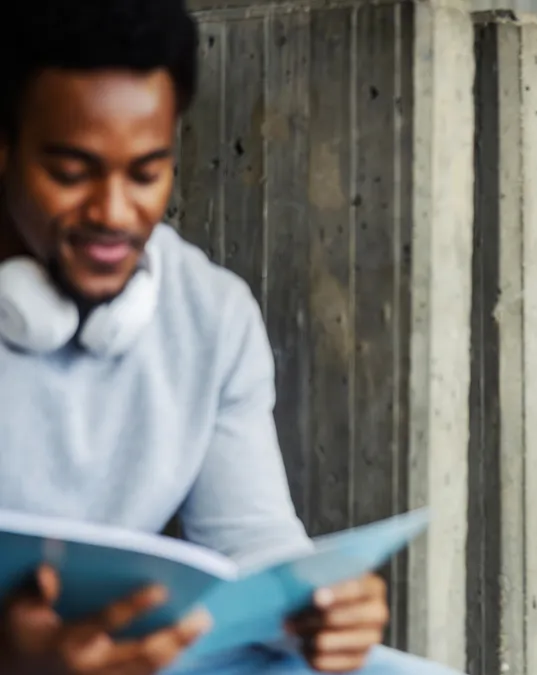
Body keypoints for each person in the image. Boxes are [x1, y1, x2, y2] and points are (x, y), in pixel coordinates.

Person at [0, 2, 458, 674]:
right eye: (72, 173)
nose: (115, 213)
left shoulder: (211, 312)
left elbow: (253, 541)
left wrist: (320, 600)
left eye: (146, 172)